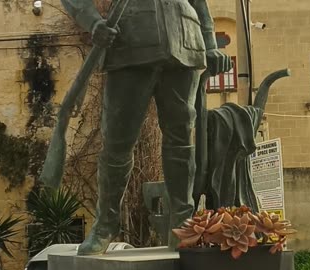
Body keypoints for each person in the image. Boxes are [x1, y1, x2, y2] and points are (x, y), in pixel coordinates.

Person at [60, 0, 232, 255]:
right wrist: (93, 22)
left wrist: (209, 41)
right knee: (117, 143)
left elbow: (198, 2)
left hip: (184, 42)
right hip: (129, 41)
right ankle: (105, 224)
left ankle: (183, 223)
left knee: (182, 141)